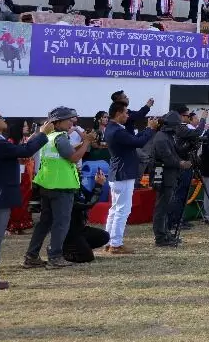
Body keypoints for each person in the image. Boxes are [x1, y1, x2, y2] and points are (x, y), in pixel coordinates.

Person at [0, 111, 50, 292]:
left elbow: (21, 151)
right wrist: (42, 134)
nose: (4, 120)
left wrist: (35, 137)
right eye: (0, 118)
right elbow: (25, 151)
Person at [25, 106, 91, 269]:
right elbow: (74, 158)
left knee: (44, 223)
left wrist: (81, 144)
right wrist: (87, 142)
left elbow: (64, 153)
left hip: (47, 185)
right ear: (58, 122)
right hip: (61, 186)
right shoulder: (60, 137)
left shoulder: (48, 136)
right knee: (61, 223)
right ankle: (55, 257)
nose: (71, 122)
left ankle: (31, 256)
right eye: (68, 120)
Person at [102, 103, 158, 254]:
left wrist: (147, 130)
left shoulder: (113, 129)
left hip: (118, 172)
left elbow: (133, 140)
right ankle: (116, 244)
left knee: (115, 209)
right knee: (123, 210)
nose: (128, 116)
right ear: (119, 113)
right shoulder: (117, 131)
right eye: (126, 113)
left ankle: (108, 241)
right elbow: (138, 142)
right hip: (123, 173)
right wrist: (150, 129)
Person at [147, 111, 191, 247]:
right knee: (162, 207)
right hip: (164, 176)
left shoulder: (167, 136)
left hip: (169, 176)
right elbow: (167, 158)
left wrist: (189, 146)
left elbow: (176, 151)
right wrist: (181, 163)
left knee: (166, 206)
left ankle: (165, 233)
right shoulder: (161, 138)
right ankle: (160, 237)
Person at [62, 169, 110, 263]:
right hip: (69, 232)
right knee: (87, 257)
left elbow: (89, 197)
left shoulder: (77, 185)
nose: (79, 172)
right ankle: (65, 251)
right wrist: (98, 186)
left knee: (104, 236)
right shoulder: (65, 190)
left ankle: (80, 246)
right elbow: (88, 204)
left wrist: (98, 184)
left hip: (80, 229)